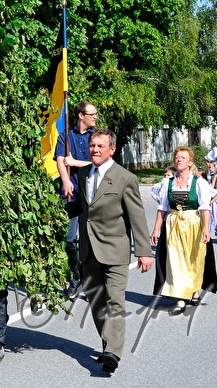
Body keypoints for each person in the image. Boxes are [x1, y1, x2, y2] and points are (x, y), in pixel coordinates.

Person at [77, 129, 153, 375]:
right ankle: (108, 343)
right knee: (97, 302)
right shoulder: (82, 174)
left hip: (115, 250)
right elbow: (80, 207)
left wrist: (144, 251)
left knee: (115, 301)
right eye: (92, 146)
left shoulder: (125, 178)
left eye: (100, 146)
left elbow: (137, 217)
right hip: (88, 251)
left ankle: (112, 352)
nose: (95, 150)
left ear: (112, 149)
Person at [150, 147, 217, 314]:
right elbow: (163, 208)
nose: (179, 160)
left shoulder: (199, 182)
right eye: (177, 157)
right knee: (175, 259)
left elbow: (204, 207)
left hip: (193, 223)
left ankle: (194, 289)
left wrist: (206, 229)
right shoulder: (168, 182)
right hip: (173, 224)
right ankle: (180, 297)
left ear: (190, 162)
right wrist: (156, 230)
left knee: (193, 259)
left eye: (183, 157)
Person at [55, 101, 98, 297]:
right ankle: (74, 279)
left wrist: (75, 162)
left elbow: (102, 163)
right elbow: (60, 160)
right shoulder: (66, 135)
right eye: (92, 114)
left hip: (92, 194)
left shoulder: (97, 137)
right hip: (71, 195)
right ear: (81, 115)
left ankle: (90, 283)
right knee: (69, 239)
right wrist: (65, 181)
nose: (95, 117)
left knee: (89, 239)